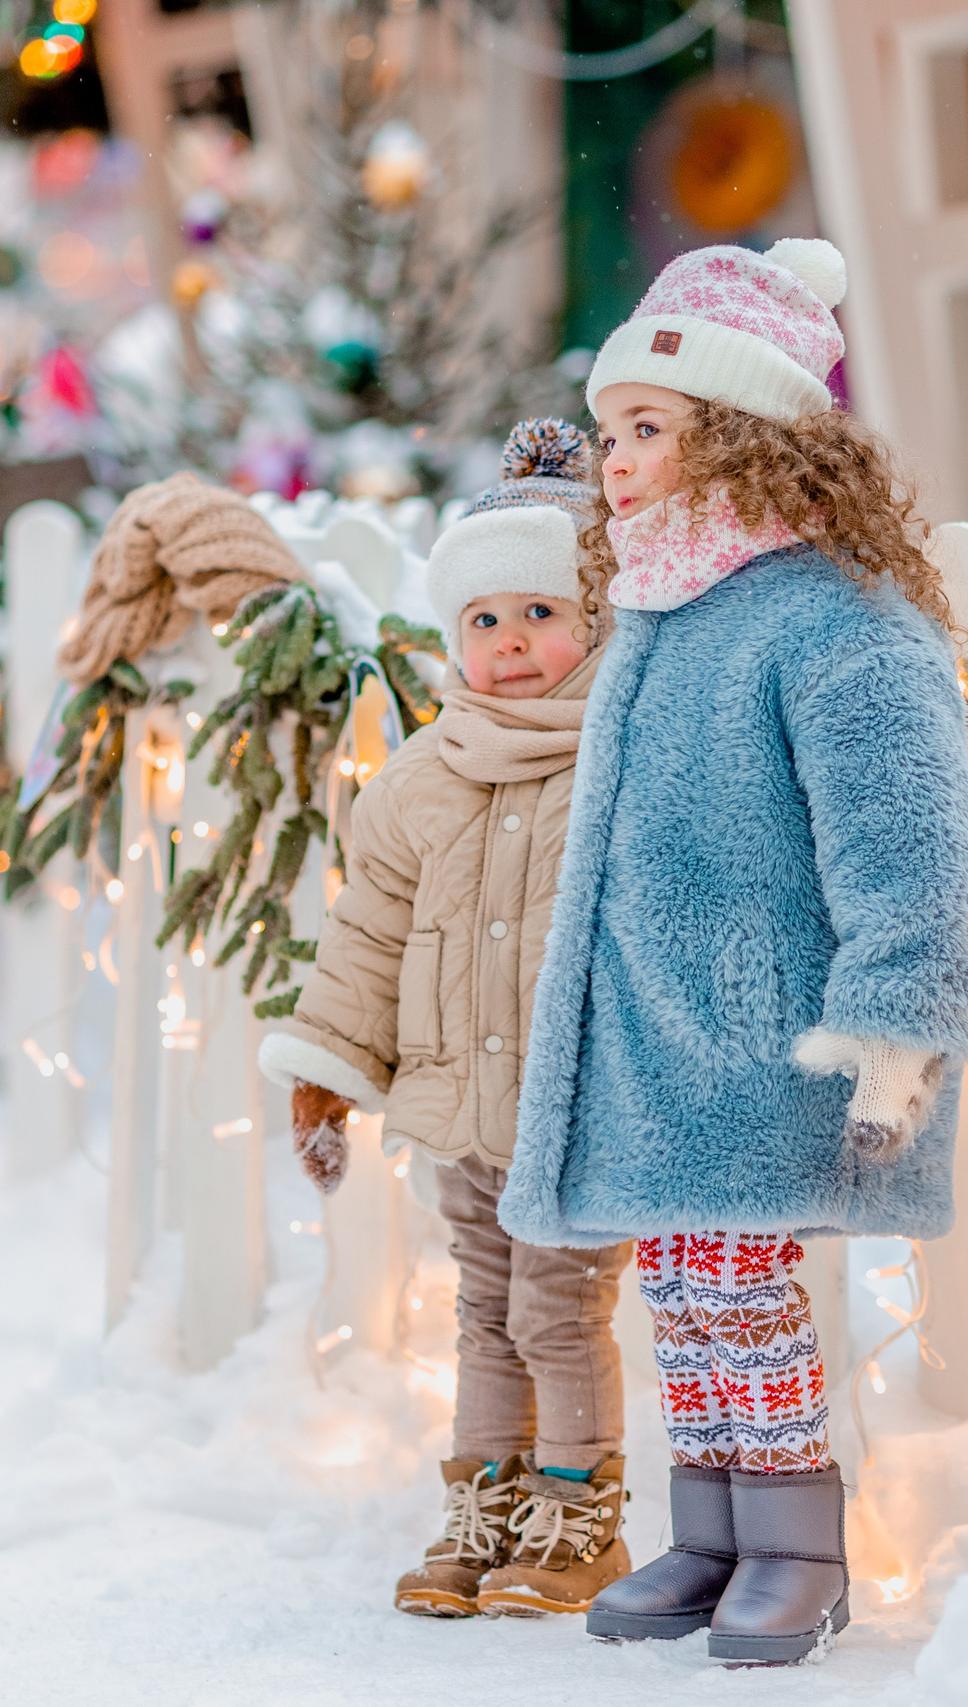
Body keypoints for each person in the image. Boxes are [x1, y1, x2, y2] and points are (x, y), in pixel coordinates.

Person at [497, 238, 968, 1664]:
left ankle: (793, 1541)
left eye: (647, 428)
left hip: (767, 1034)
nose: (616, 459)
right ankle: (706, 1528)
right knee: (684, 1287)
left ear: (746, 431)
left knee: (741, 1287)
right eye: (608, 432)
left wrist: (897, 1023)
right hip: (660, 1033)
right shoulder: (665, 600)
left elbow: (907, 843)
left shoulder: (840, 616)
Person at [256, 421, 632, 1620]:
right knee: (481, 1306)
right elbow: (365, 936)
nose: (512, 645)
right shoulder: (423, 775)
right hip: (463, 1106)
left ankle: (580, 1520)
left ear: (599, 622)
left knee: (556, 1310)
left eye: (541, 615)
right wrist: (326, 1069)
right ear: (449, 636)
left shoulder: (624, 760)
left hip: (579, 1108)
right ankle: (488, 1511)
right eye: (484, 621)